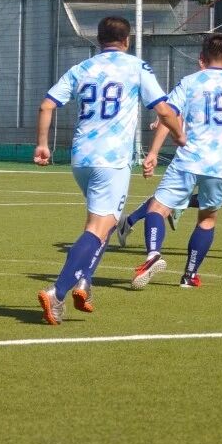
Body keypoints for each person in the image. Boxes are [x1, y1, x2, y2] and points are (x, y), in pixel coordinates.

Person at [33, 16, 185, 324]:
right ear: (127, 41)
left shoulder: (82, 68)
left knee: (105, 223)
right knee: (98, 228)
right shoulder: (136, 67)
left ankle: (84, 282)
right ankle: (57, 292)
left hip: (81, 158)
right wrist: (180, 135)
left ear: (98, 40)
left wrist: (43, 144)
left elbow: (46, 105)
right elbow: (164, 109)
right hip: (111, 160)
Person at [132, 34, 222, 292]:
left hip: (188, 159)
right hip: (220, 166)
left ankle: (153, 254)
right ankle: (189, 276)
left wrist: (153, 151)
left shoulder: (190, 82)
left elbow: (167, 115)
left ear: (203, 57)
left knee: (156, 209)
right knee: (207, 219)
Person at [116, 118, 222, 254]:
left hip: (217, 153)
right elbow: (174, 110)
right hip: (201, 153)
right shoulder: (204, 92)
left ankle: (130, 220)